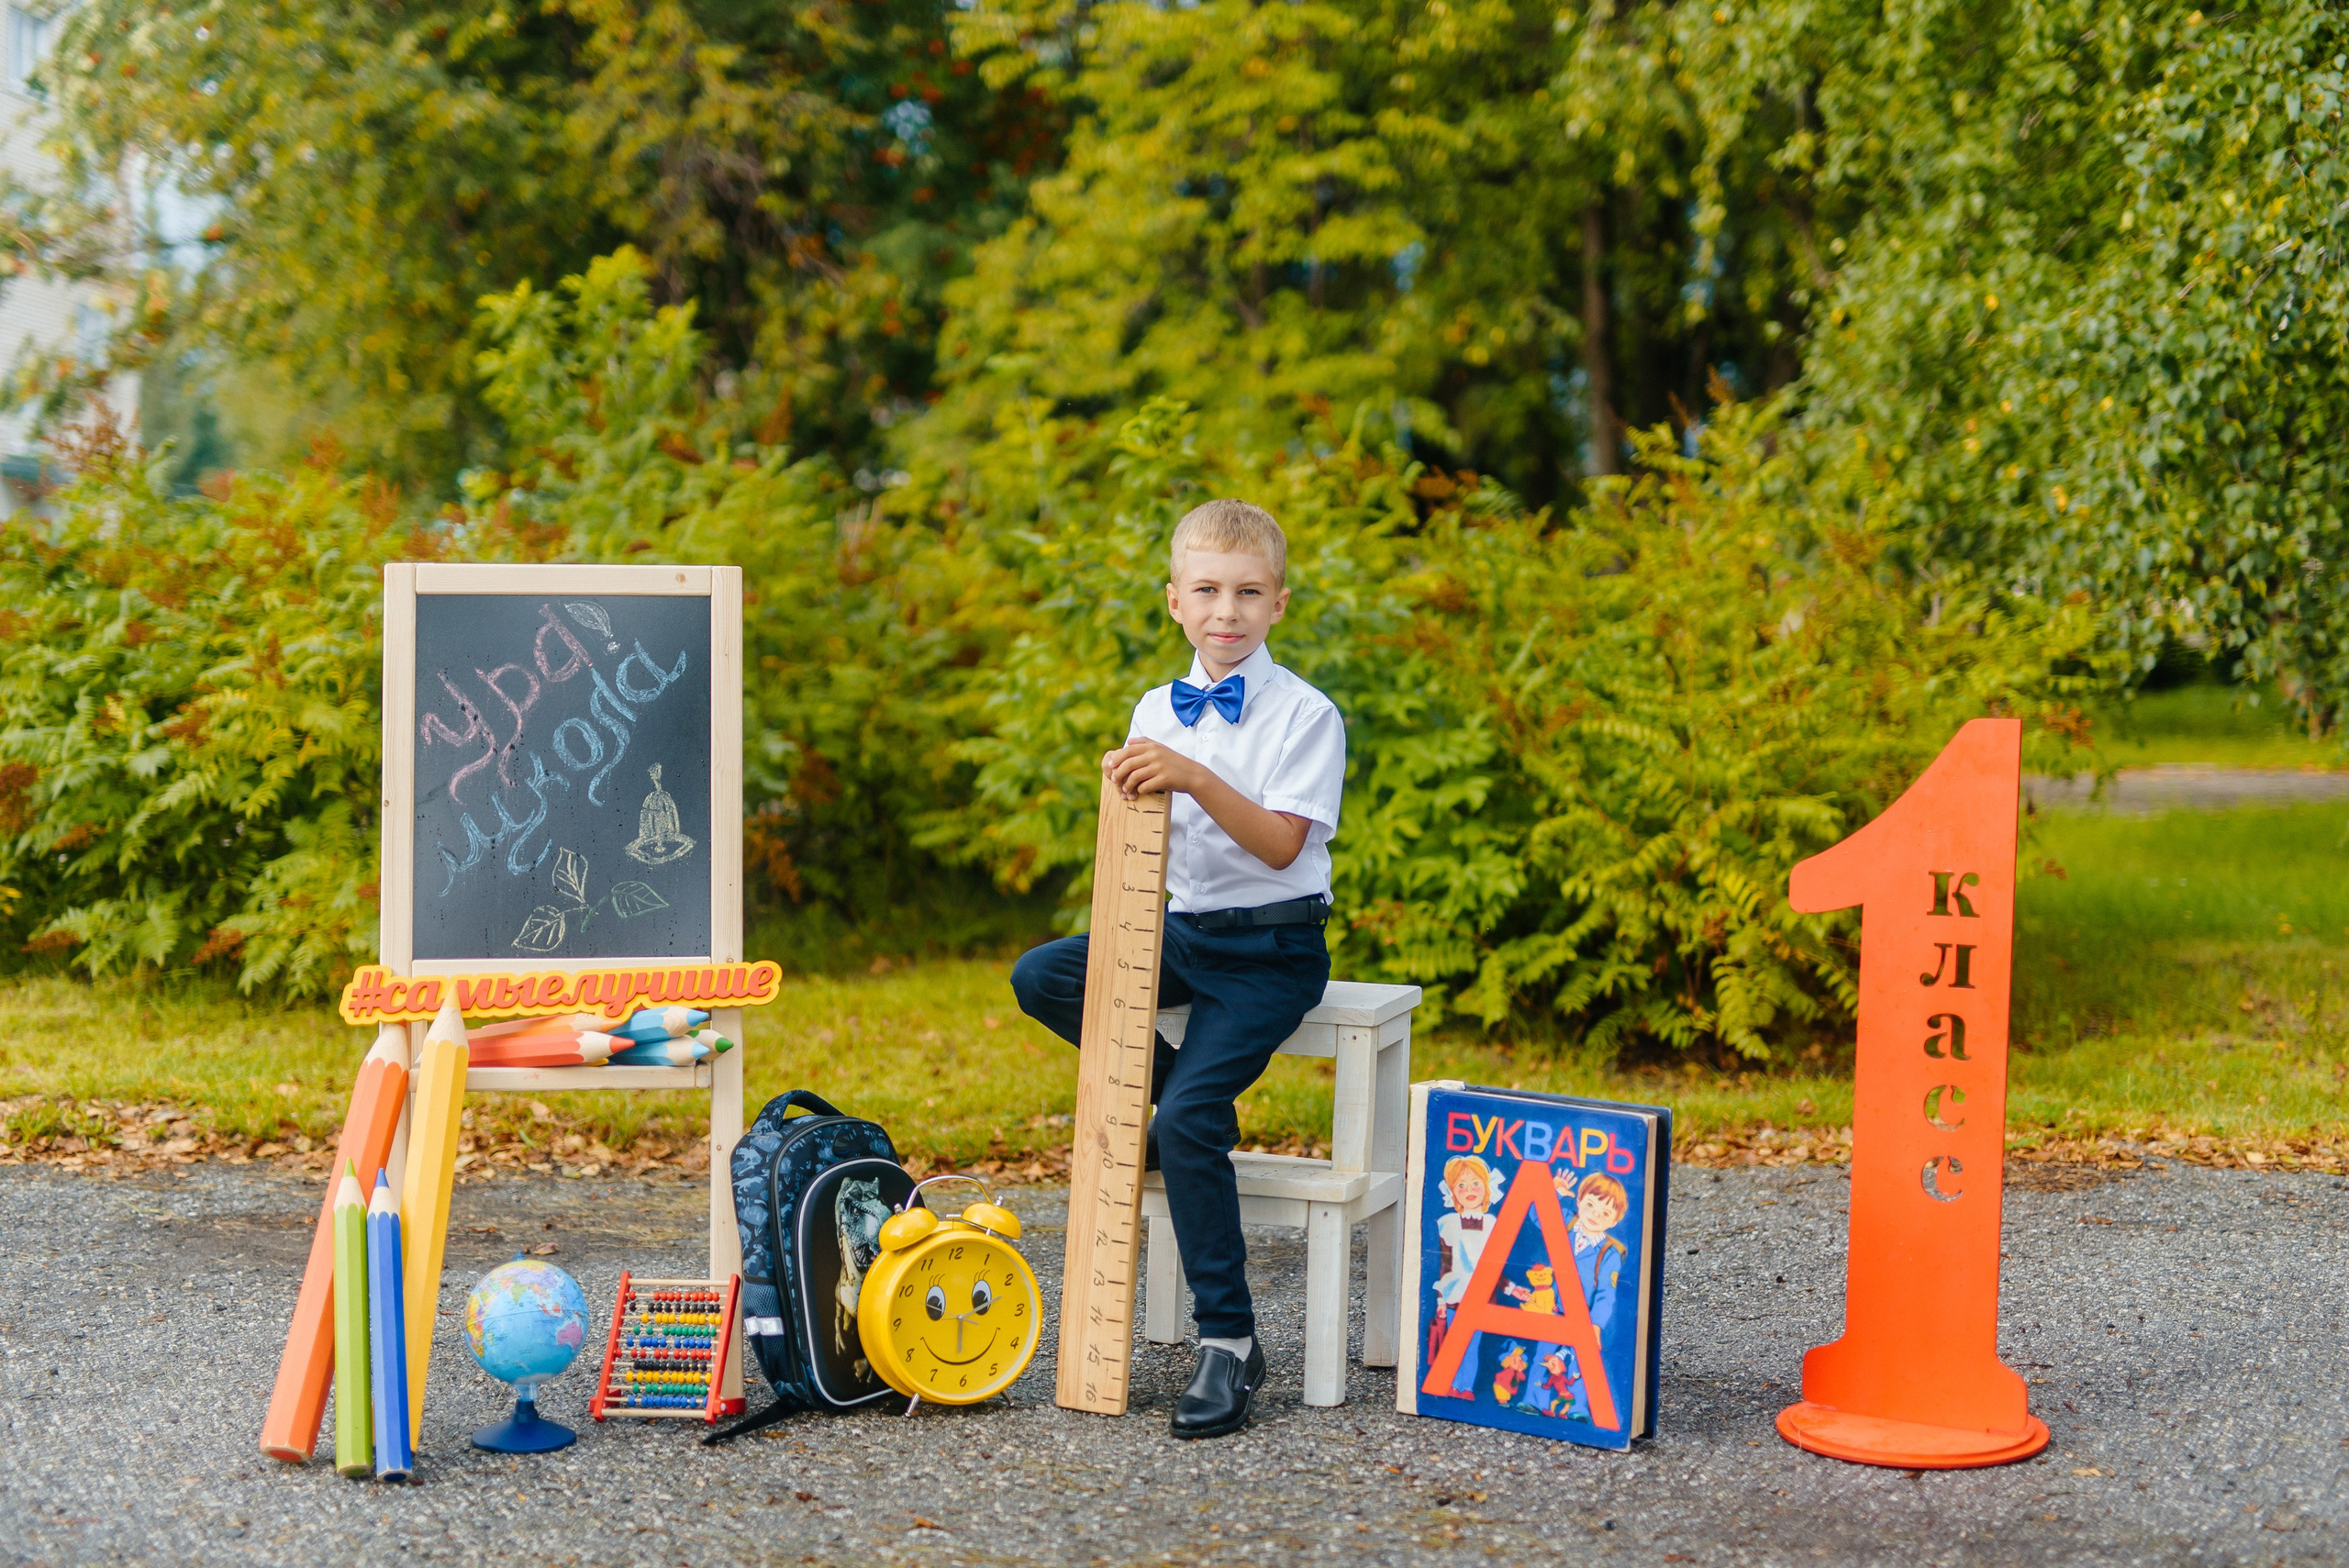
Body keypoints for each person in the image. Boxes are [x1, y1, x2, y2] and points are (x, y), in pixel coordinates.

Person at [1009, 498, 1345, 1440]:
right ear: (1173, 600)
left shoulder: (1306, 714)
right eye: (1206, 590)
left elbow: (1281, 845)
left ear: (1278, 602)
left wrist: (1196, 775)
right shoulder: (1157, 706)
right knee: (1042, 974)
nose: (1225, 610)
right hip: (1182, 932)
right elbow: (1139, 831)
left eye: (1246, 592)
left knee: (1188, 1123)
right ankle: (1165, 1100)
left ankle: (1230, 1340)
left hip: (1271, 948)